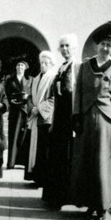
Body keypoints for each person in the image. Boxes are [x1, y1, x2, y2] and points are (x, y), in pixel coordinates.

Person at [70, 22, 111, 220]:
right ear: (96, 46)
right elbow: (77, 94)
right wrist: (76, 118)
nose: (105, 48)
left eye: (110, 45)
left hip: (105, 122)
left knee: (102, 164)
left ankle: (102, 207)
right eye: (103, 44)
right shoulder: (84, 67)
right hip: (86, 119)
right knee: (86, 163)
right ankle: (88, 204)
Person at [42, 34, 80, 207]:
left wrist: (76, 119)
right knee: (57, 156)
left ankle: (67, 197)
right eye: (62, 46)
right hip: (59, 118)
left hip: (70, 118)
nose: (65, 49)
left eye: (67, 46)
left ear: (74, 48)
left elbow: (77, 95)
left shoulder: (77, 67)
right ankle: (55, 197)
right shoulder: (61, 68)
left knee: (68, 156)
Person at [26, 51, 58, 185]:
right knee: (35, 148)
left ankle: (43, 179)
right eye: (42, 63)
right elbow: (29, 97)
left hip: (46, 119)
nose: (43, 65)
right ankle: (35, 176)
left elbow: (53, 99)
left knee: (44, 149)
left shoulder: (53, 78)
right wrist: (31, 108)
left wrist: (38, 109)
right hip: (35, 118)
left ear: (51, 64)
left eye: (46, 63)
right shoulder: (36, 78)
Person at [4, 60, 33, 169]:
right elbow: (5, 94)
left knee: (25, 136)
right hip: (15, 111)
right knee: (14, 136)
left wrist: (28, 96)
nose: (20, 67)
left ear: (25, 68)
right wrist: (11, 101)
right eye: (18, 65)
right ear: (16, 67)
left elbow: (33, 93)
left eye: (22, 65)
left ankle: (24, 162)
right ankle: (11, 162)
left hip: (26, 110)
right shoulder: (9, 80)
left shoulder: (30, 80)